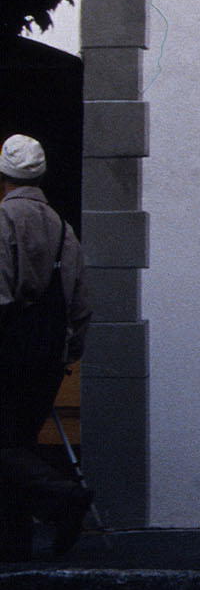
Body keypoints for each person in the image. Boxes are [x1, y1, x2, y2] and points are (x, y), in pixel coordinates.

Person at [0, 136, 91, 562]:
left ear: (3, 178)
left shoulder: (4, 218)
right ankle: (15, 543)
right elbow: (80, 303)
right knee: (18, 441)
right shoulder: (60, 226)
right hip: (50, 351)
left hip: (11, 349)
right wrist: (69, 351)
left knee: (6, 445)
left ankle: (63, 498)